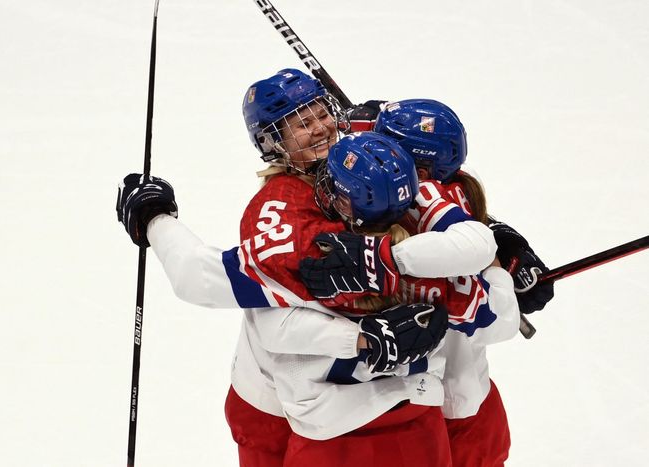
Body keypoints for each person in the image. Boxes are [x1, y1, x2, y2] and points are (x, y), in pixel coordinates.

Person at [115, 70, 499, 466]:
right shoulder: (284, 219)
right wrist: (156, 219)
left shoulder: (376, 159)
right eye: (301, 124)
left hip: (396, 404)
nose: (320, 129)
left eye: (321, 115)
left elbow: (439, 188)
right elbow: (213, 285)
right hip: (283, 405)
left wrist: (496, 236)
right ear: (273, 143)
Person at [300, 98, 553, 466]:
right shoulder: (367, 189)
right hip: (406, 408)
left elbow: (469, 238)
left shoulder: (428, 200)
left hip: (452, 406)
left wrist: (499, 250)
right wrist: (496, 274)